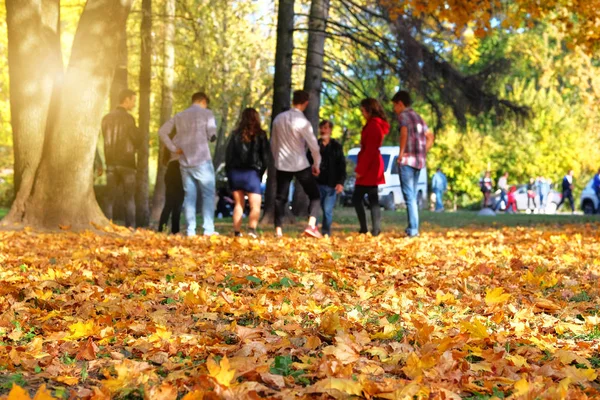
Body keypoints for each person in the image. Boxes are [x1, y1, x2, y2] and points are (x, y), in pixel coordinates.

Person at [159, 92, 218, 237]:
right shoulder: (207, 114)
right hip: (202, 160)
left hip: (184, 161)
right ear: (203, 101)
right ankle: (208, 230)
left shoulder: (180, 116)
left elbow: (162, 132)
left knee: (189, 197)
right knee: (208, 195)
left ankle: (190, 231)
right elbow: (212, 135)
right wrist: (211, 136)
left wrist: (173, 148)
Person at [271, 90, 322, 238]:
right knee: (314, 195)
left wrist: (277, 158)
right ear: (306, 103)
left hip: (282, 163)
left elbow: (274, 143)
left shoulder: (278, 119)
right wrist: (316, 164)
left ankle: (278, 230)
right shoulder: (303, 122)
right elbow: (314, 146)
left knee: (280, 197)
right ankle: (311, 225)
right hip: (300, 163)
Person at [392, 91, 434, 237]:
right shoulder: (419, 117)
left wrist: (401, 154)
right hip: (418, 161)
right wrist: (423, 151)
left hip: (407, 160)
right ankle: (412, 227)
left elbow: (404, 133)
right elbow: (430, 136)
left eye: (395, 106)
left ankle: (413, 230)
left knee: (409, 197)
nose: (394, 109)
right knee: (413, 196)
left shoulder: (403, 116)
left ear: (400, 103)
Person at [225, 108, 270, 238]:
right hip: (252, 173)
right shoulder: (260, 135)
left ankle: (237, 232)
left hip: (236, 172)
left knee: (239, 204)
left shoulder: (235, 134)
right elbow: (265, 158)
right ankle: (251, 230)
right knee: (255, 206)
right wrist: (260, 173)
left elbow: (228, 156)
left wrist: (229, 174)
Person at [101, 89, 139, 228]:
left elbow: (105, 138)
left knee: (109, 197)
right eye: (133, 100)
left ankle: (106, 226)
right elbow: (136, 139)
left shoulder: (106, 118)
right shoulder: (129, 119)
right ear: (126, 100)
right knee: (129, 198)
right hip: (127, 163)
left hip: (111, 162)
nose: (134, 104)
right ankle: (130, 228)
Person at [353, 98, 390, 236]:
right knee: (372, 198)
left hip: (370, 166)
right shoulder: (373, 124)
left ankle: (368, 228)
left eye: (363, 110)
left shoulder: (374, 126)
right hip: (372, 164)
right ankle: (374, 229)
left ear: (369, 110)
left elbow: (370, 150)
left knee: (358, 198)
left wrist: (360, 170)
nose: (362, 113)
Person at [309, 120, 346, 236]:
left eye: (326, 128)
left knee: (327, 210)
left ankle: (326, 232)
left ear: (330, 130)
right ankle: (313, 230)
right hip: (317, 182)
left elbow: (341, 166)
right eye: (322, 128)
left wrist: (340, 182)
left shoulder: (336, 146)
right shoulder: (315, 145)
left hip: (331, 183)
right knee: (314, 209)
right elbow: (307, 161)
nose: (323, 130)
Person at [158, 129, 184, 234]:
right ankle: (175, 230)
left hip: (170, 170)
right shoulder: (184, 139)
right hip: (180, 169)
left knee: (169, 203)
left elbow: (165, 159)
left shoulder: (169, 141)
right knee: (178, 203)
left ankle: (162, 229)